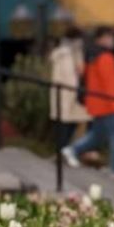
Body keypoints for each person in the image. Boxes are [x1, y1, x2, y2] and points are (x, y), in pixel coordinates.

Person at [61, 27, 114, 180]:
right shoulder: (105, 57)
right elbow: (110, 85)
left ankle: (72, 150)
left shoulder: (92, 56)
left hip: (98, 103)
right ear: (100, 39)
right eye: (108, 37)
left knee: (98, 135)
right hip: (109, 105)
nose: (111, 41)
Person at [48, 26, 89, 155]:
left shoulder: (76, 53)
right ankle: (62, 152)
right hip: (66, 94)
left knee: (72, 122)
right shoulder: (64, 54)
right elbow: (67, 76)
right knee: (64, 124)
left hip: (73, 95)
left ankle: (65, 152)